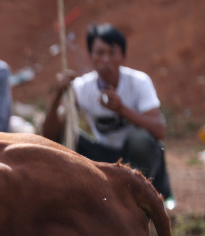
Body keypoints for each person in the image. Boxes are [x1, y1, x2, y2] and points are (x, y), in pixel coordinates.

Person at [42, 23, 173, 201]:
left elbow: (160, 130)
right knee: (66, 134)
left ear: (123, 56)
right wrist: (58, 95)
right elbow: (50, 136)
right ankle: (75, 194)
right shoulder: (81, 87)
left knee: (140, 139)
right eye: (99, 53)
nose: (105, 59)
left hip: (133, 157)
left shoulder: (139, 82)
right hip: (103, 156)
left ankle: (142, 195)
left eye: (111, 53)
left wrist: (122, 110)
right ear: (90, 56)